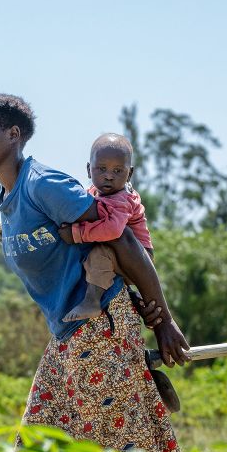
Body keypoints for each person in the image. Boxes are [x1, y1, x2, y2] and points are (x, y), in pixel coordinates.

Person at [0, 93, 189, 452]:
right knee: (37, 442)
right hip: (67, 331)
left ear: (13, 135)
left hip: (100, 326)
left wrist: (163, 321)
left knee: (115, 451)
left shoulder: (44, 185)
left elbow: (123, 238)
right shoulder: (9, 197)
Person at [59, 133, 152, 322]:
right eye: (101, 169)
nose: (108, 176)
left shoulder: (122, 199)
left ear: (130, 174)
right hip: (121, 256)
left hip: (138, 259)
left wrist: (78, 234)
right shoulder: (93, 193)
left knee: (100, 253)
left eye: (118, 171)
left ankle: (91, 301)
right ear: (88, 169)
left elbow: (113, 231)